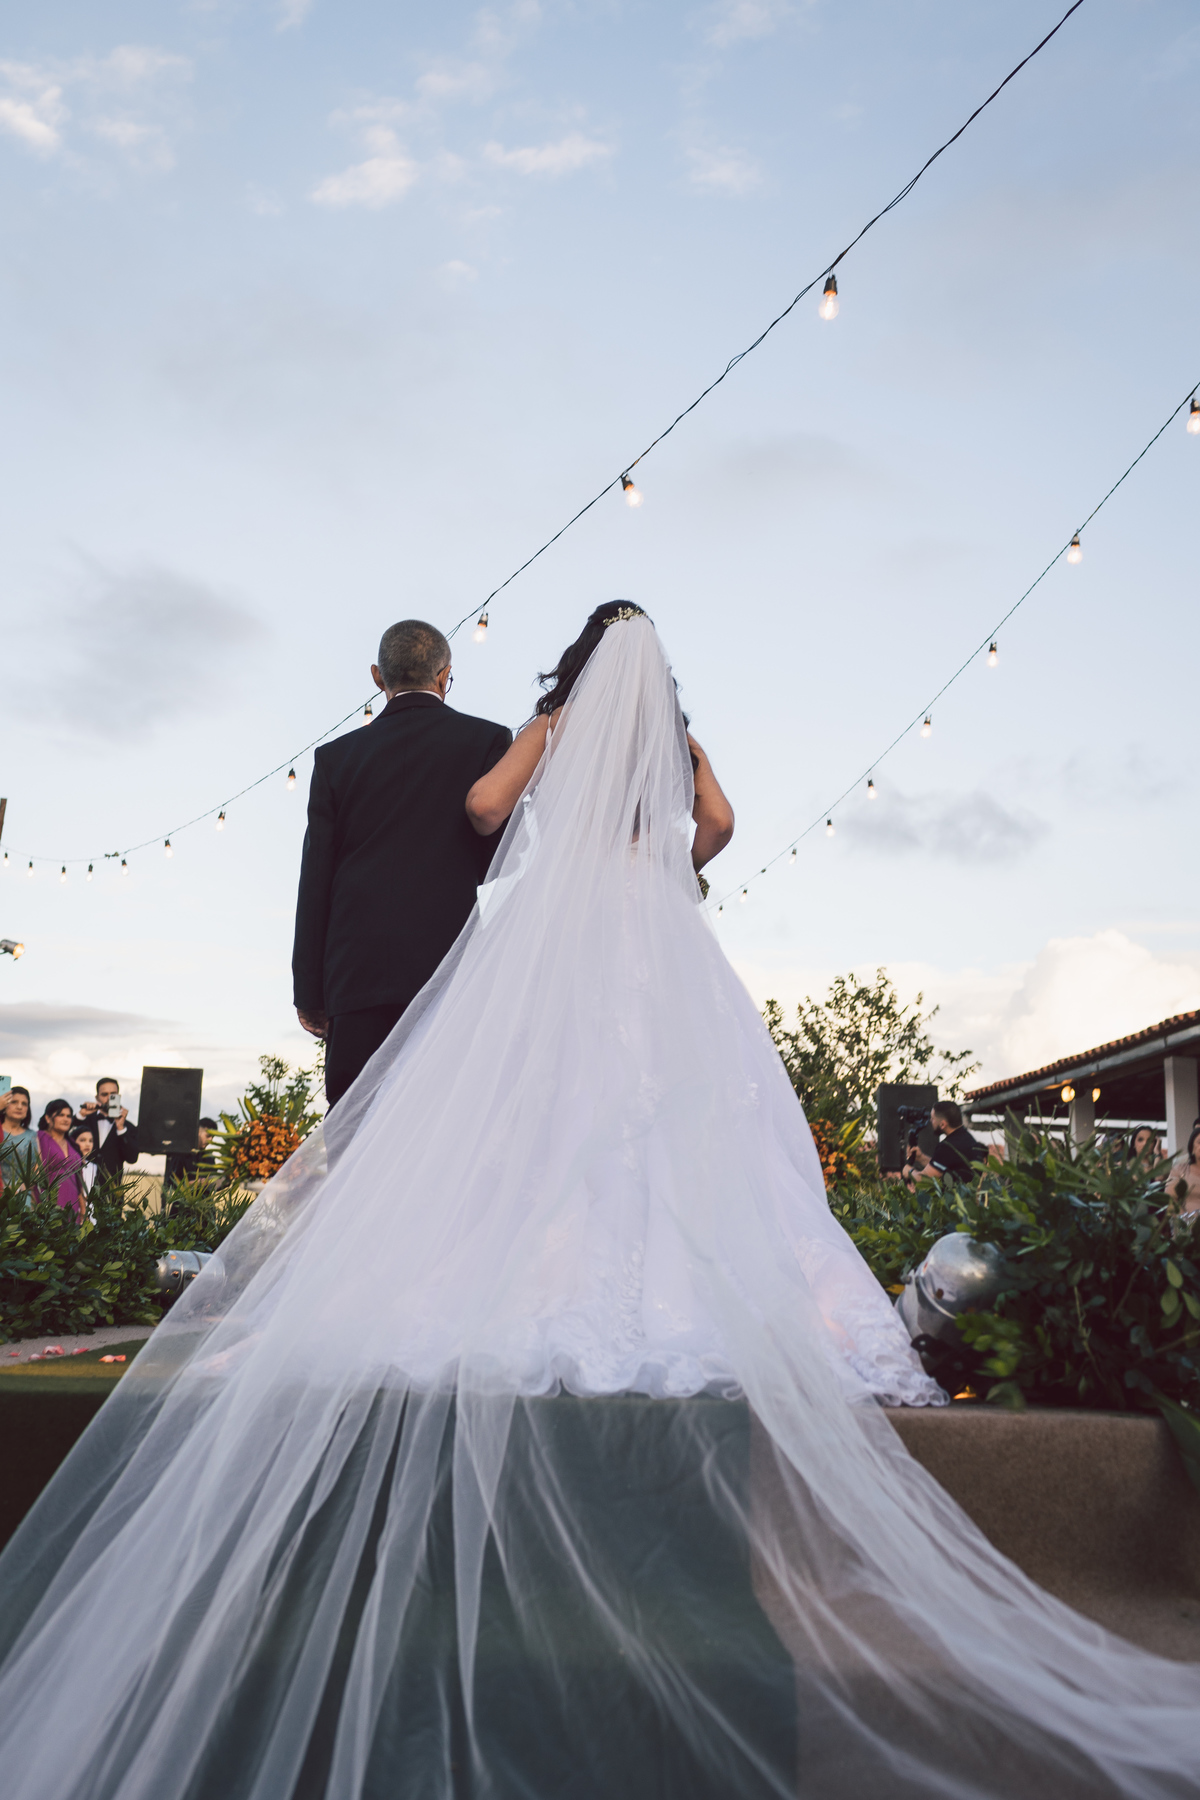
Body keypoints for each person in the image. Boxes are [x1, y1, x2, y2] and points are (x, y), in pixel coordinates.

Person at [0, 607, 1197, 1797]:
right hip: (664, 945)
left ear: (574, 665)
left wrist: (541, 783)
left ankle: (544, 1283)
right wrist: (678, 860)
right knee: (677, 1127)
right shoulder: (679, 740)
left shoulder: (559, 722)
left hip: (566, 945)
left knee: (547, 1129)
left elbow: (480, 813)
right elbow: (719, 826)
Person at [292, 619, 513, 1106]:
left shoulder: (336, 758)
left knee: (353, 1134)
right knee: (438, 1129)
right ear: (445, 675)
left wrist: (309, 989)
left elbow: (316, 880)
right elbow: (502, 855)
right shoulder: (487, 741)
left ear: (377, 677)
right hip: (447, 970)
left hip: (356, 978)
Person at [74, 1077, 139, 1180]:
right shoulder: (85, 1120)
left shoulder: (128, 1127)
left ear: (119, 1097)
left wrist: (121, 1128)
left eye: (113, 1095)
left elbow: (132, 1159)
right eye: (104, 1094)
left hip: (111, 1191)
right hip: (82, 1189)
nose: (109, 1098)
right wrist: (80, 1115)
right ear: (97, 1097)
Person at [34, 1100, 83, 1217]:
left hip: (72, 1204)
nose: (66, 1119)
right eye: (61, 1115)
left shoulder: (72, 1143)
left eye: (69, 1116)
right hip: (47, 1203)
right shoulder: (39, 1138)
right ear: (48, 1118)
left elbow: (79, 1181)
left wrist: (84, 1209)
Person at [163, 1117, 218, 1191]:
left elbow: (214, 1185)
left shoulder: (209, 1157)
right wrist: (194, 1184)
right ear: (197, 1132)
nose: (210, 1140)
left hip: (205, 1202)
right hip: (183, 1202)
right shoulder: (181, 1154)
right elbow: (170, 1184)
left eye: (213, 1137)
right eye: (207, 1136)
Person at [0, 1085, 37, 1190]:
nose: (19, 1107)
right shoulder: (0, 1132)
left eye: (24, 1104)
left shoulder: (32, 1135)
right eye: (14, 1102)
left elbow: (38, 1169)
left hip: (25, 1195)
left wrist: (22, 1188)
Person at [68, 1125, 99, 1202]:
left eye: (90, 1141)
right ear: (73, 1142)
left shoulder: (93, 1167)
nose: (87, 1144)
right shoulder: (68, 1165)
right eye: (82, 1140)